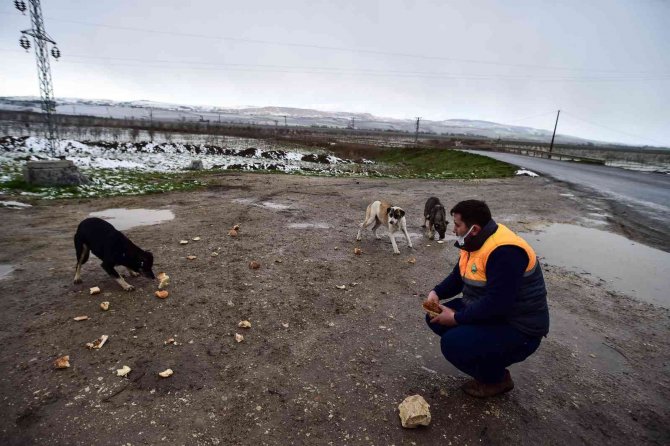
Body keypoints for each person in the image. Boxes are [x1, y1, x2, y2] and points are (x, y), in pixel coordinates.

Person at [424, 200, 549, 397]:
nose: (454, 230)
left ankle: (496, 379)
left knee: (453, 343)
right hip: (492, 312)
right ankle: (485, 357)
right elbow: (459, 276)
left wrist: (456, 318)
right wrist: (436, 292)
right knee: (434, 316)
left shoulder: (505, 252)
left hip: (520, 326)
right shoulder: (475, 241)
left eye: (457, 225)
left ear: (474, 228)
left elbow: (498, 303)